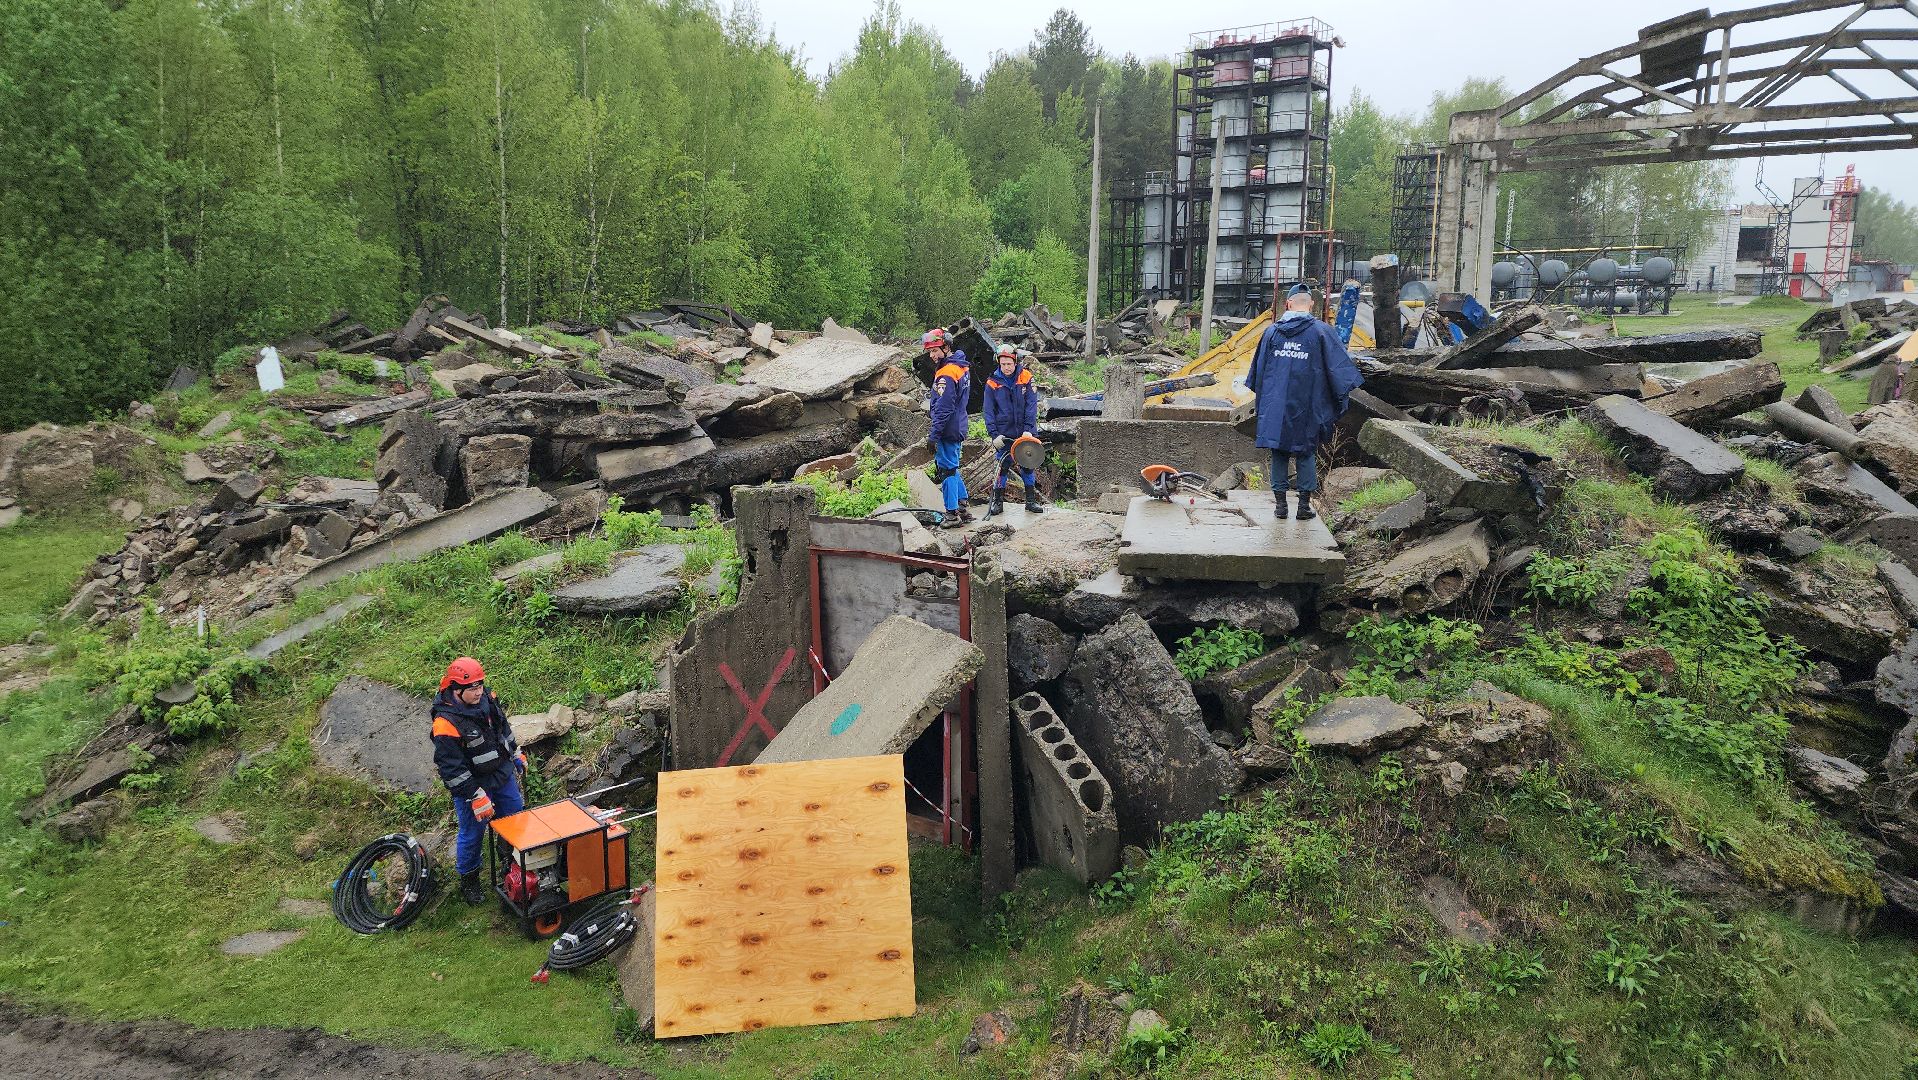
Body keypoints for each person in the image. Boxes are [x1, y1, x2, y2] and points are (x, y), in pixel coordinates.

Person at [1244, 284, 1363, 521]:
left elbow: (1257, 374)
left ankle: (1280, 507)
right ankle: (1303, 507)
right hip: (1308, 405)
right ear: (1310, 305)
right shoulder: (1322, 332)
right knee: (1306, 452)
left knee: (1278, 451)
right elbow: (1339, 371)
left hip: (1276, 406)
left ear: (1288, 304)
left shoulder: (1271, 333)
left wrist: (1267, 402)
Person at [430, 657, 527, 903]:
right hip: (473, 787)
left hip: (501, 775)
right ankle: (469, 879)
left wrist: (515, 753)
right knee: (472, 834)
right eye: (472, 688)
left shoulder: (487, 699)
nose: (478, 691)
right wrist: (475, 795)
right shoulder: (445, 723)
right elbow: (451, 768)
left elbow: (503, 729)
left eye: (480, 685)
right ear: (456, 689)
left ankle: (510, 863)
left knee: (515, 819)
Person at [982, 343, 1045, 517]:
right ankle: (998, 503)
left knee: (1027, 466)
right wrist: (994, 435)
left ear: (1015, 361)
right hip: (1004, 433)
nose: (1006, 367)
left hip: (1024, 432)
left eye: (1009, 364)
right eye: (1003, 364)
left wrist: (1028, 430)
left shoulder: (1026, 377)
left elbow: (1031, 406)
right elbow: (988, 411)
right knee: (1002, 466)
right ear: (998, 363)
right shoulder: (992, 382)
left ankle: (1031, 501)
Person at [924, 327, 973, 528]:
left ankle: (952, 515)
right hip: (959, 423)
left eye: (935, 350)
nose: (932, 355)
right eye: (930, 352)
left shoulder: (946, 373)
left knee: (946, 471)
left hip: (948, 429)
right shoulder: (961, 365)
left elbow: (943, 409)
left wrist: (933, 436)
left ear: (946, 346)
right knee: (953, 467)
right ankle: (963, 506)